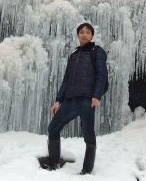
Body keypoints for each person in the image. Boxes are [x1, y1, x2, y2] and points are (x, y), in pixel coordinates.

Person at [39, 22, 108, 174]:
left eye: (88, 32)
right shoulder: (74, 56)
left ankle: (87, 170)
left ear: (91, 36)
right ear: (78, 35)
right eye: (81, 32)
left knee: (88, 134)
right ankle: (54, 162)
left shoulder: (98, 52)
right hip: (70, 99)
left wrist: (96, 95)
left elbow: (101, 75)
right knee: (53, 128)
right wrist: (58, 100)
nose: (84, 34)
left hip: (86, 99)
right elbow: (66, 80)